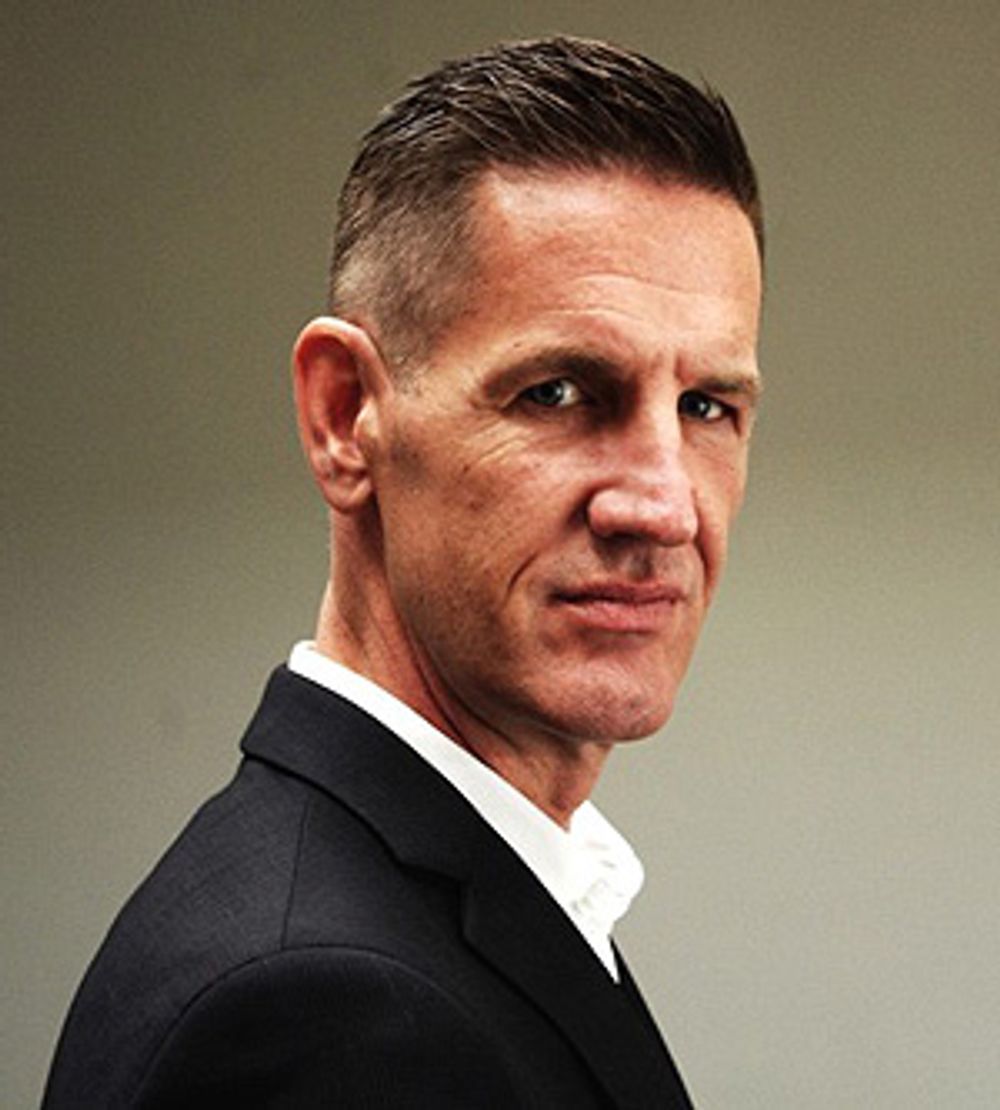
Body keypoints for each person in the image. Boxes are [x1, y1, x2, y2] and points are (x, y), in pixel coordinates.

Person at [43, 36, 762, 1108]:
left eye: (707, 406)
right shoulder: (325, 1012)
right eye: (559, 393)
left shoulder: (413, 914)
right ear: (345, 418)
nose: (662, 507)